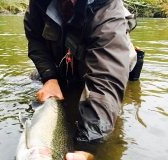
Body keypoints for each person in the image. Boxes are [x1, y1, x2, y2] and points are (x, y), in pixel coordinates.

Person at [24, 0, 137, 159]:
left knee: (104, 106)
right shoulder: (39, 3)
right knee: (36, 77)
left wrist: (87, 147)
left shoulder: (108, 10)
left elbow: (106, 82)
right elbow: (35, 39)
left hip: (108, 59)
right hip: (68, 54)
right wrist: (50, 77)